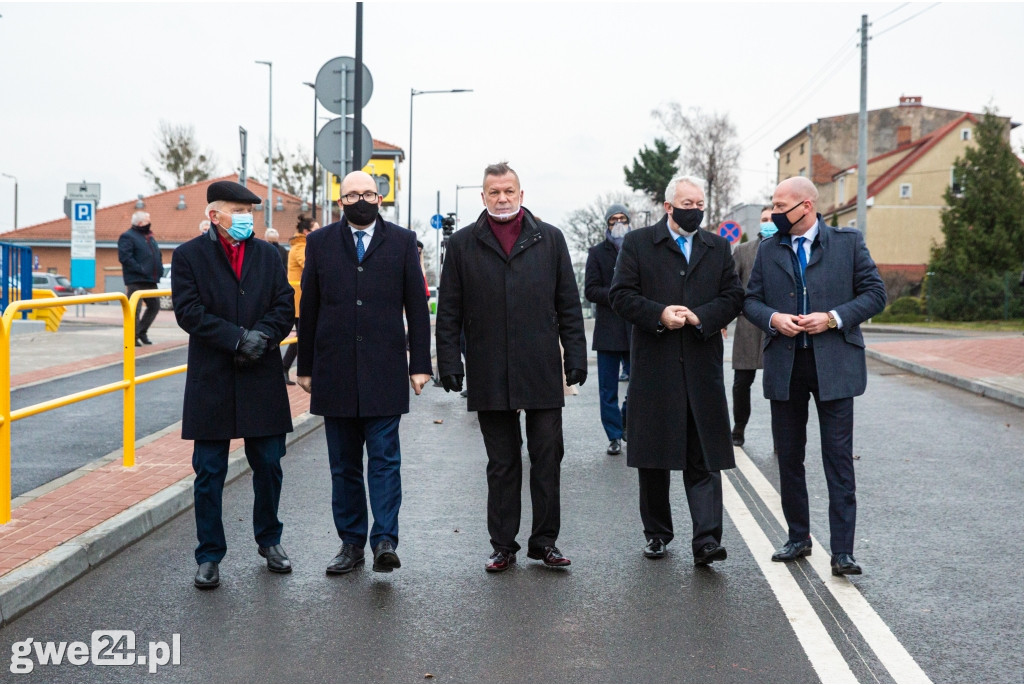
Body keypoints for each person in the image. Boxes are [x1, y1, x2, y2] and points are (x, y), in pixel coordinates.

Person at [435, 162, 587, 573]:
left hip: (540, 367)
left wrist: (575, 355)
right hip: (489, 368)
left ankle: (545, 543)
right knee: (502, 464)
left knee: (547, 457)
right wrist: (449, 361)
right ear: (482, 197)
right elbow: (448, 308)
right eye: (494, 192)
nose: (502, 198)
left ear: (521, 194)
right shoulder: (465, 244)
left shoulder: (550, 239)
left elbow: (568, 304)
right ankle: (503, 545)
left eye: (509, 191)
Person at [743, 176, 886, 576]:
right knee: (789, 456)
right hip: (786, 365)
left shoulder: (848, 243)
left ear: (806, 206)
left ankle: (842, 551)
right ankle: (798, 537)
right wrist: (774, 319)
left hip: (835, 365)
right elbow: (750, 300)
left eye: (780, 206)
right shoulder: (769, 250)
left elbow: (876, 294)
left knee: (837, 458)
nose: (772, 214)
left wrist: (834, 318)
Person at [296, 171, 432, 576]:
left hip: (385, 368)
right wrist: (305, 366)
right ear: (340, 200)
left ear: (380, 198)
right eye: (352, 194)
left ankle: (385, 540)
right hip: (334, 370)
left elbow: (418, 307)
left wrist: (420, 364)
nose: (361, 200)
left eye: (368, 193)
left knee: (385, 460)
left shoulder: (404, 242)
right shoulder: (319, 244)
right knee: (343, 465)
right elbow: (310, 308)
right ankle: (351, 544)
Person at [609, 176, 743, 565]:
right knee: (653, 456)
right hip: (655, 365)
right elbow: (621, 295)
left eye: (700, 203)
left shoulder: (717, 247)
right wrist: (659, 314)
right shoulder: (638, 244)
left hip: (701, 365)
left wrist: (701, 317)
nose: (695, 209)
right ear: (669, 206)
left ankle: (706, 540)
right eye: (688, 202)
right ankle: (657, 534)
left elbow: (734, 296)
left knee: (703, 454)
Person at [171, 180, 296, 589]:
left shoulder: (268, 254)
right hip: (213, 379)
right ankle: (209, 556)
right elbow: (189, 312)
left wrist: (261, 336)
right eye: (239, 211)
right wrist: (236, 338)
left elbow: (284, 304)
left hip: (260, 374)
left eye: (250, 212)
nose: (247, 219)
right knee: (208, 472)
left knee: (270, 465)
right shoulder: (189, 256)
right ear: (214, 215)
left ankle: (270, 541)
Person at [584, 203, 633, 456]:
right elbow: (590, 290)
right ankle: (614, 435)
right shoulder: (596, 252)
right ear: (607, 224)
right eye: (613, 219)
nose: (618, 223)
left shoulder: (638, 248)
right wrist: (617, 295)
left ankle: (626, 421)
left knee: (638, 383)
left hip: (635, 329)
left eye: (622, 218)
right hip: (608, 330)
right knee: (607, 388)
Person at [729, 207, 775, 447]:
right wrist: (724, 320)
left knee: (779, 385)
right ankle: (738, 428)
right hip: (748, 326)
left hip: (779, 327)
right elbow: (732, 290)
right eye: (764, 219)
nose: (767, 223)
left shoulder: (787, 248)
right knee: (741, 382)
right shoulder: (744, 251)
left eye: (772, 219)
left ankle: (781, 437)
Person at [118, 211, 163, 346]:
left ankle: (141, 331)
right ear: (140, 223)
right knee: (134, 310)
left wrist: (158, 269)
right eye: (147, 221)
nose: (149, 223)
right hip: (136, 280)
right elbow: (125, 257)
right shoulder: (128, 237)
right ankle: (132, 337)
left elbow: (157, 255)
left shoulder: (149, 237)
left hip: (151, 280)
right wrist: (140, 269)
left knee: (154, 306)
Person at [282, 215, 316, 385]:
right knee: (302, 338)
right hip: (299, 302)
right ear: (306, 231)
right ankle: (284, 368)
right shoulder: (301, 247)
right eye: (316, 229)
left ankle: (286, 368)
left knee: (303, 338)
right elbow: (311, 265)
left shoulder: (303, 246)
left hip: (302, 301)